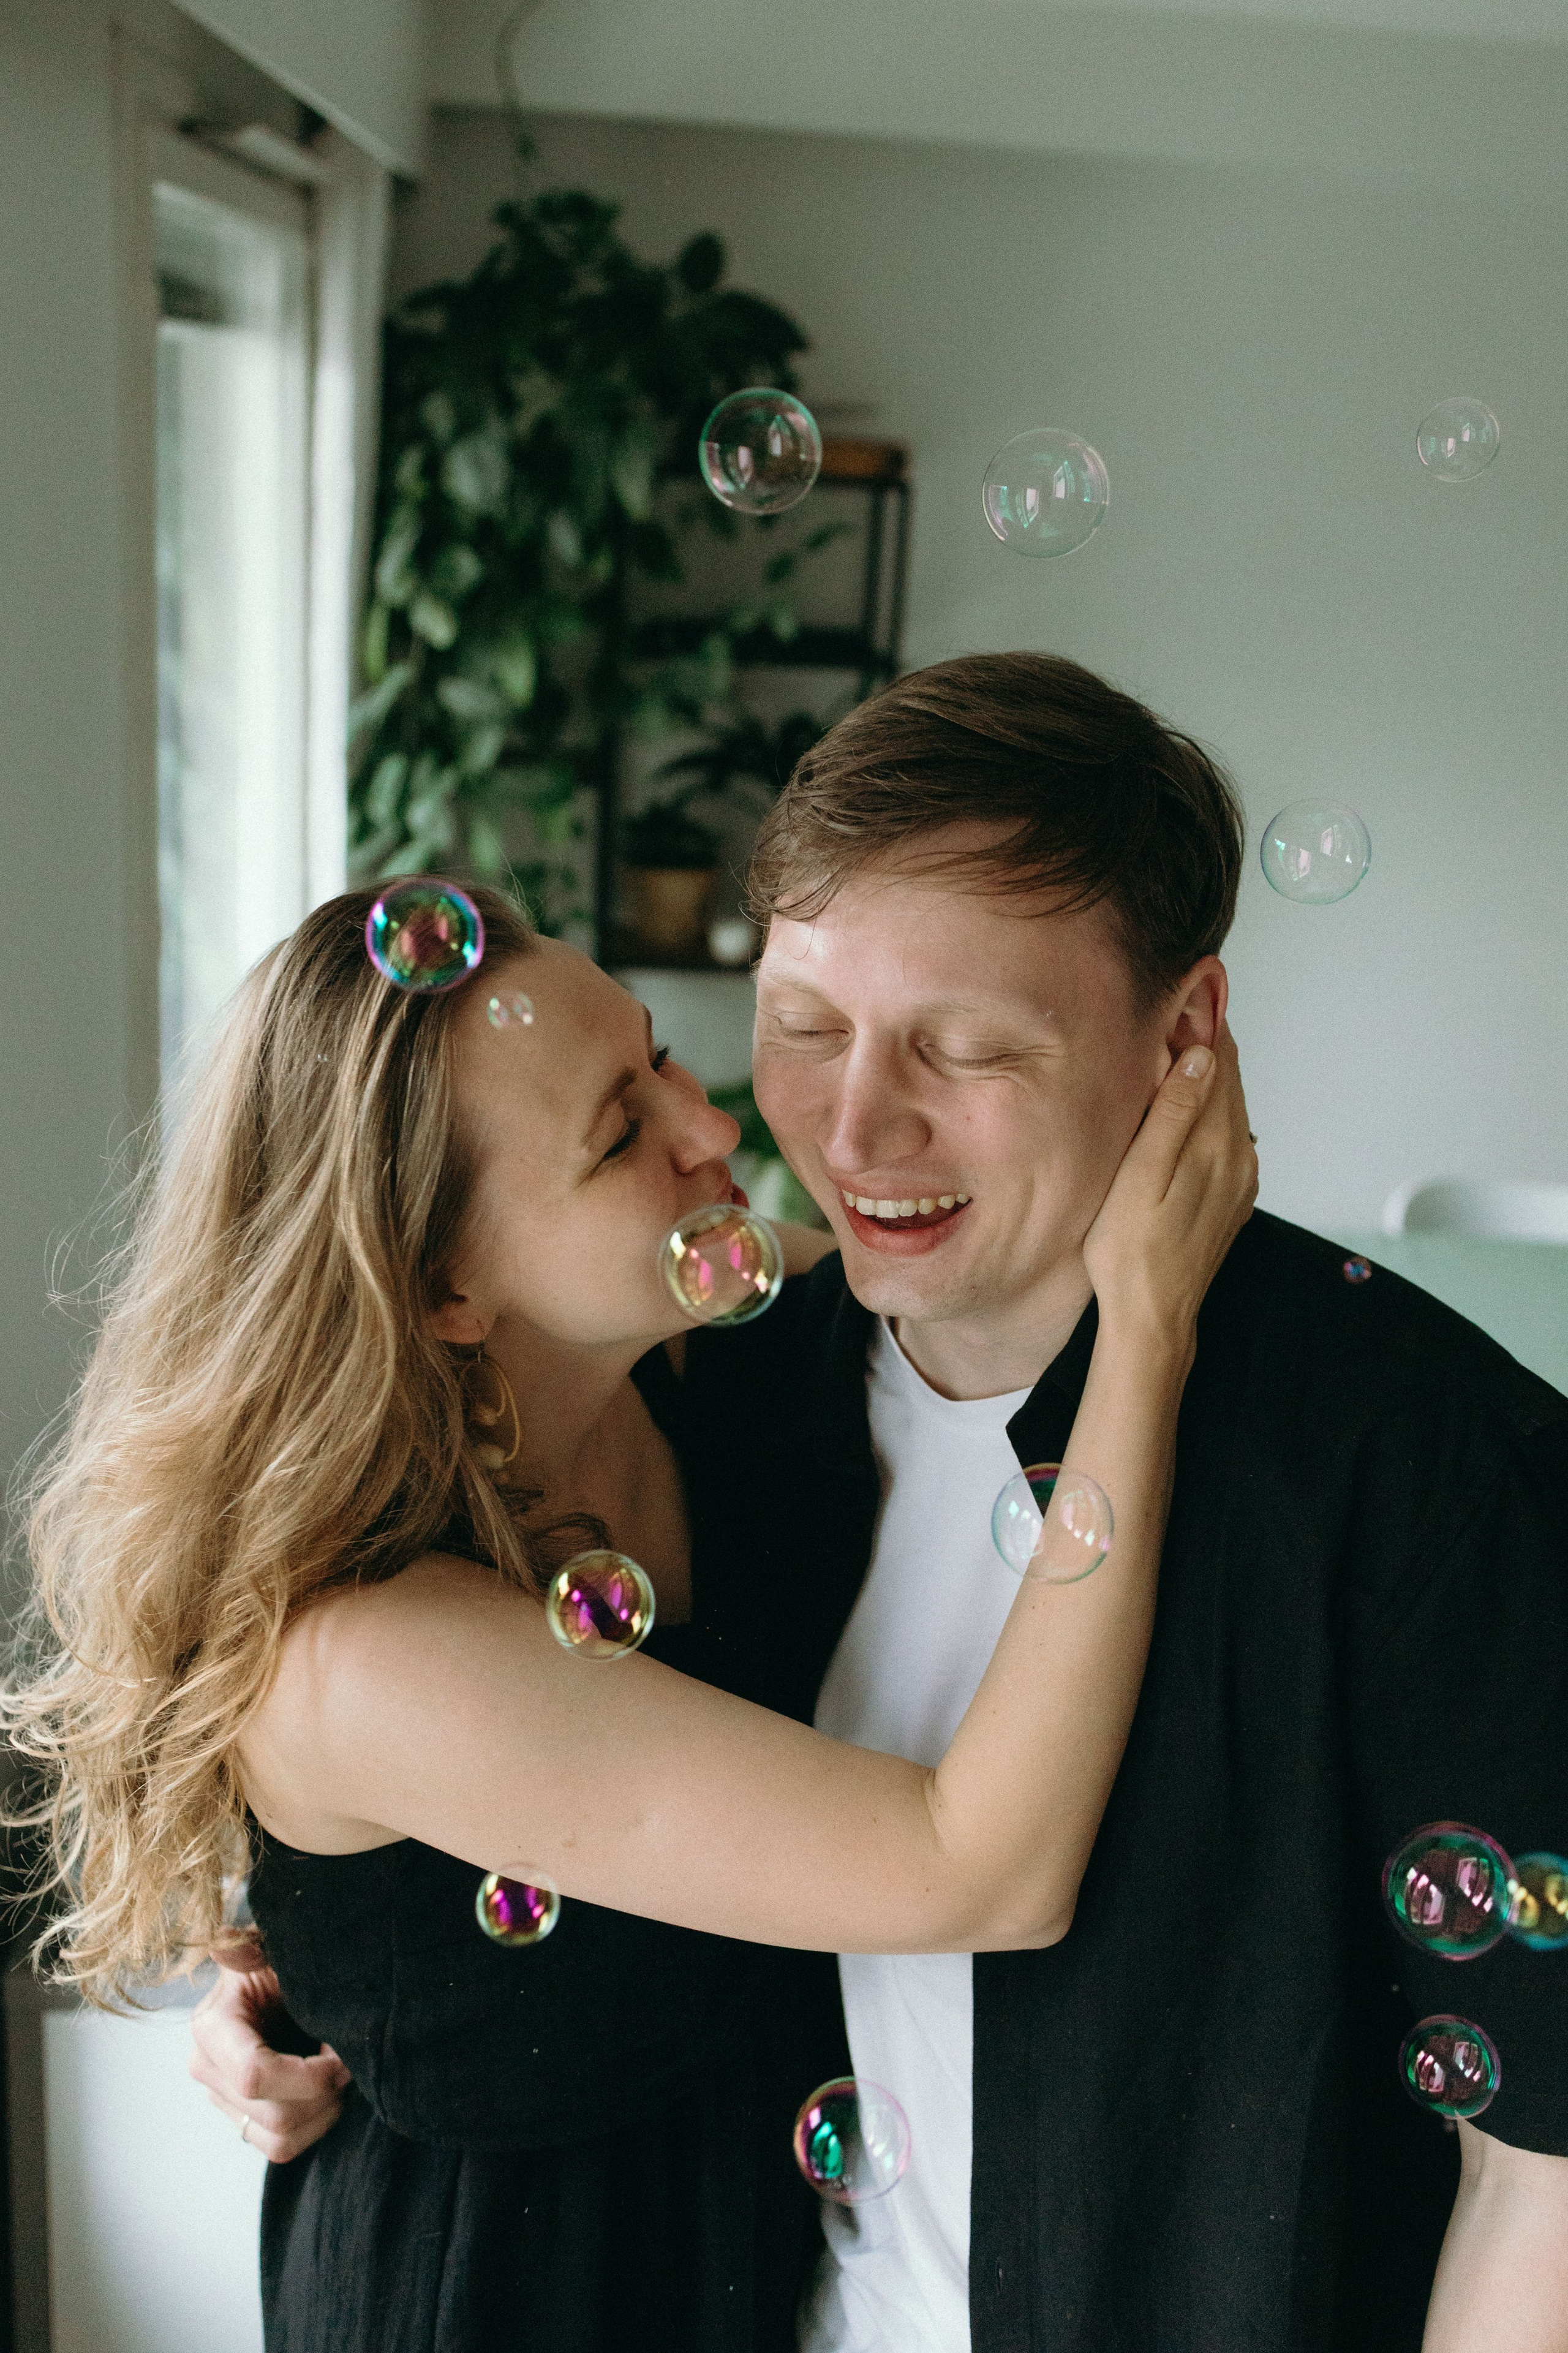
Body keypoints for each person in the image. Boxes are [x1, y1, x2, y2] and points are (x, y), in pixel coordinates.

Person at [207, 653, 1568, 2353]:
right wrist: (298, 1981)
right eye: (802, 1029)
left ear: (1187, 1036)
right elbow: (496, 1803)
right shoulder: (744, 1381)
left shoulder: (1428, 1466)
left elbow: (1549, 2173)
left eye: (967, 1046)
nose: (844, 1130)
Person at [4, 867, 1254, 2353]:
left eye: (656, 1053)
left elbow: (989, 1269)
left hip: (774, 2248)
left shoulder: (709, 1343)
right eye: (620, 1133)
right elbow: (979, 1869)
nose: (712, 1125)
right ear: (446, 1286)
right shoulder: (362, 1650)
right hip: (515, 2300)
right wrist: (1152, 1333)